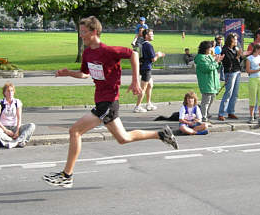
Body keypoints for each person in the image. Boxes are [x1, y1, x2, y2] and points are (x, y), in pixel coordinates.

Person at [43, 16, 178, 188]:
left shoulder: (108, 51)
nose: (81, 35)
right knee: (123, 138)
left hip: (108, 102)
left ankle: (67, 175)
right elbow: (85, 74)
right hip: (101, 101)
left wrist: (135, 81)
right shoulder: (87, 53)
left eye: (83, 32)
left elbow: (134, 54)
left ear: (94, 32)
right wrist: (68, 72)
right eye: (80, 32)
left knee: (74, 131)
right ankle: (161, 134)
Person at [0, 83, 35, 148]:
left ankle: (15, 142)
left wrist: (17, 131)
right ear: (4, 93)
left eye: (12, 91)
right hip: (4, 128)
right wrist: (6, 130)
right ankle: (15, 141)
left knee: (32, 125)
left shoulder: (17, 102)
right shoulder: (0, 103)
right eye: (8, 91)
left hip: (15, 127)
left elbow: (19, 118)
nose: (10, 93)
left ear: (14, 92)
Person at [133, 29, 165, 113]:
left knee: (150, 85)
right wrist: (158, 55)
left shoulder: (142, 44)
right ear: (146, 36)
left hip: (143, 67)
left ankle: (148, 104)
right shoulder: (148, 45)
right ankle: (137, 106)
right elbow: (153, 59)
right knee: (143, 88)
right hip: (146, 68)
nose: (153, 35)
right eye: (151, 34)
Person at [194, 41, 224, 122]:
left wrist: (219, 61)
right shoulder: (201, 58)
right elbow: (207, 68)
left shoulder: (209, 56)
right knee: (206, 100)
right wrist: (216, 62)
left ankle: (206, 113)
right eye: (210, 47)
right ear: (206, 48)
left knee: (212, 98)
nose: (212, 49)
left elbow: (215, 67)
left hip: (213, 82)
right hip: (206, 82)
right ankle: (203, 117)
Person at [218, 33, 242, 121]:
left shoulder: (235, 49)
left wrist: (240, 56)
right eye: (235, 40)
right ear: (230, 40)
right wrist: (238, 56)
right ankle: (221, 113)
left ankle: (231, 111)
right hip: (230, 73)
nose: (236, 41)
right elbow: (229, 62)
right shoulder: (225, 50)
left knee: (235, 94)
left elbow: (238, 61)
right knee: (228, 93)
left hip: (237, 72)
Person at [246, 43, 260, 125]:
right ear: (257, 49)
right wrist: (258, 69)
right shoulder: (249, 58)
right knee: (252, 97)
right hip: (253, 79)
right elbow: (248, 71)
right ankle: (251, 116)